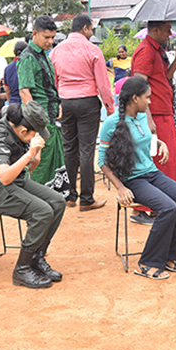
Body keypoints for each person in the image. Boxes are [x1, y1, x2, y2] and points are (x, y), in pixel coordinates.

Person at [99, 76, 176, 280]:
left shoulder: (141, 116)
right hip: (132, 179)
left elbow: (141, 137)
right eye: (147, 98)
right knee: (168, 207)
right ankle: (147, 263)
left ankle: (170, 256)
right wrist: (120, 187)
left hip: (151, 173)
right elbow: (102, 162)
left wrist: (159, 142)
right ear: (135, 98)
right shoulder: (112, 122)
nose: (150, 102)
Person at [0, 101, 66, 289]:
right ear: (23, 130)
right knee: (42, 212)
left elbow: (29, 167)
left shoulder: (15, 118)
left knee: (57, 202)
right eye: (35, 133)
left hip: (16, 180)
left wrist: (35, 156)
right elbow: (4, 177)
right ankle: (22, 269)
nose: (38, 137)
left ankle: (36, 259)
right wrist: (30, 152)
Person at [51, 13, 115, 210]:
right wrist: (110, 108)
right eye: (91, 29)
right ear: (85, 28)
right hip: (87, 102)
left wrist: (57, 103)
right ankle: (87, 198)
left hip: (65, 101)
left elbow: (53, 81)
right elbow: (103, 84)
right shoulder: (93, 50)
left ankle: (70, 196)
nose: (91, 33)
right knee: (87, 150)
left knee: (69, 149)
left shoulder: (56, 51)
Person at [18, 15, 71, 197]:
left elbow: (50, 86)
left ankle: (52, 199)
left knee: (53, 160)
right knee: (40, 162)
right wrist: (35, 124)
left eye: (52, 38)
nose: (50, 41)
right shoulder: (27, 58)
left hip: (51, 117)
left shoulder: (44, 55)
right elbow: (25, 92)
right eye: (46, 37)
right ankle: (37, 201)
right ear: (35, 34)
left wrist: (59, 105)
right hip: (40, 122)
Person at [131, 20, 176, 186]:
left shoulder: (157, 51)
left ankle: (166, 203)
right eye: (167, 30)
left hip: (163, 111)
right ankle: (155, 205)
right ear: (155, 30)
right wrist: (147, 118)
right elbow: (139, 85)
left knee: (167, 161)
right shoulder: (146, 51)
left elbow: (162, 79)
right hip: (154, 113)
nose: (170, 34)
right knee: (159, 161)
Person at [3, 40, 28, 105]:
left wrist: (9, 101)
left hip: (13, 103)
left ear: (14, 52)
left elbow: (6, 89)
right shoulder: (28, 65)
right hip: (26, 102)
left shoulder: (7, 68)